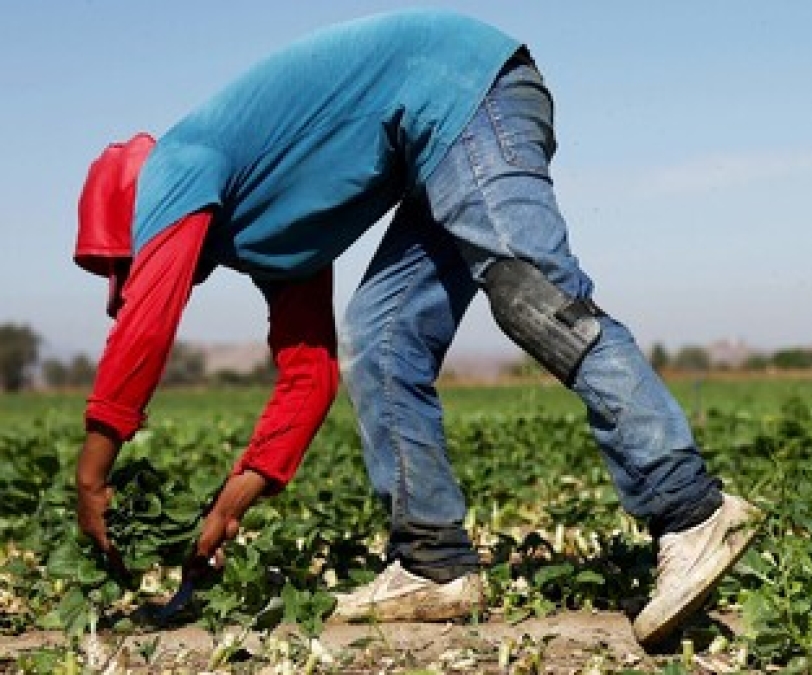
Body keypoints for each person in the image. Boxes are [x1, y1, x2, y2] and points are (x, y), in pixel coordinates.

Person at [72, 9, 760, 646]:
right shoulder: (263, 227)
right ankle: (433, 564)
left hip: (466, 93)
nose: (136, 276)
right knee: (381, 336)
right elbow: (307, 376)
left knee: (531, 293)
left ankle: (687, 507)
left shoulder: (172, 164)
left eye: (126, 264)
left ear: (135, 217)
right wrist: (232, 501)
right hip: (435, 137)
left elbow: (147, 323)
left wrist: (92, 477)